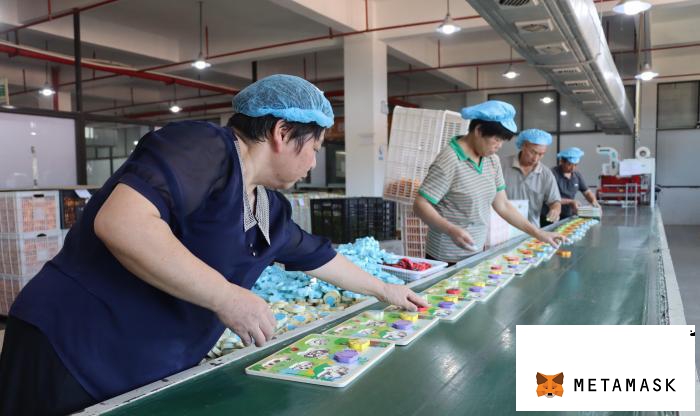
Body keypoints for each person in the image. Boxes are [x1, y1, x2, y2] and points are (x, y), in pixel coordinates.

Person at [0, 74, 427, 415]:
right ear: (281, 132)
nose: (314, 162)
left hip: (140, 365)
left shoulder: (269, 207)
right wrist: (227, 296)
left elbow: (317, 256)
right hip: (71, 349)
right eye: (313, 147)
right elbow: (122, 223)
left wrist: (384, 289)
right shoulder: (203, 148)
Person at [413, 100, 565, 264]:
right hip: (446, 256)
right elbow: (420, 205)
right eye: (497, 140)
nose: (499, 146)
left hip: (476, 251)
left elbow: (503, 205)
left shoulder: (491, 160)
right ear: (478, 130)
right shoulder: (450, 160)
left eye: (502, 141)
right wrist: (450, 229)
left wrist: (538, 233)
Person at [502, 129, 562, 227]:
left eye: (541, 154)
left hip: (531, 229)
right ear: (523, 146)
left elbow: (555, 201)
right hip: (502, 227)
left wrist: (555, 210)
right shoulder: (501, 165)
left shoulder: (546, 174)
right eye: (533, 152)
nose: (535, 158)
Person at [546, 147, 601, 219]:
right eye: (569, 164)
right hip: (550, 216)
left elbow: (586, 192)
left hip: (568, 215)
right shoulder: (551, 174)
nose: (573, 168)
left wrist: (594, 201)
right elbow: (548, 197)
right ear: (562, 161)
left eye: (575, 165)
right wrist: (570, 202)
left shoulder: (577, 175)